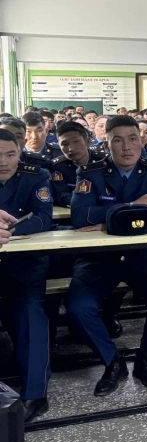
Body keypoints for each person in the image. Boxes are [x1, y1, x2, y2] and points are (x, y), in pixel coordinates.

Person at [67, 115, 147, 396]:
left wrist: (106, 220)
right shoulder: (90, 173)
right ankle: (112, 362)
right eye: (118, 140)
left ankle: (146, 360)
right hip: (100, 258)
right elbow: (79, 217)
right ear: (107, 144)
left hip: (145, 256)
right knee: (78, 308)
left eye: (132, 139)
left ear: (141, 142)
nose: (126, 147)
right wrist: (133, 205)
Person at [0, 129, 54, 422]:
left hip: (24, 262)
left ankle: (35, 393)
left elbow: (43, 218)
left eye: (10, 154)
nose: (4, 162)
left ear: (19, 153)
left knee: (30, 313)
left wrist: (8, 230)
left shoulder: (35, 176)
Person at [51, 121, 108, 207]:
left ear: (87, 141)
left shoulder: (104, 161)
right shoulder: (58, 166)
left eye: (76, 141)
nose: (71, 148)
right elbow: (61, 195)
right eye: (65, 144)